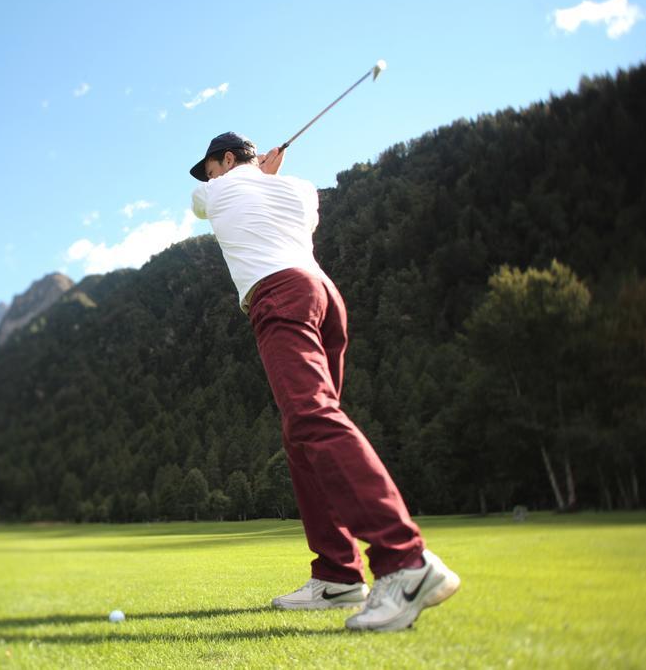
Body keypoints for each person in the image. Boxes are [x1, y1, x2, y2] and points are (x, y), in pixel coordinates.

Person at [189, 132, 460, 632]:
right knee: (301, 436)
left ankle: (405, 563)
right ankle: (337, 574)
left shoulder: (216, 190)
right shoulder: (301, 189)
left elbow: (201, 206)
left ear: (226, 160)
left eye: (209, 166)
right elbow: (278, 205)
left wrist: (243, 175)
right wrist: (264, 175)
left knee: (312, 418)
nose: (206, 178)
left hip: (279, 295)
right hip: (323, 295)